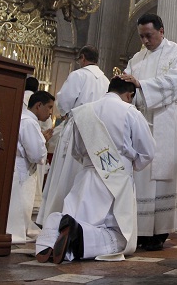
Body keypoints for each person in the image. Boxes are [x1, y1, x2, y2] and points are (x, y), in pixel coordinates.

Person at [35, 77, 156, 263]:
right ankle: (78, 235)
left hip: (85, 177)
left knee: (75, 213)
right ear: (129, 95)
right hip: (116, 181)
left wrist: (91, 162)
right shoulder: (130, 112)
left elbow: (75, 151)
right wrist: (131, 164)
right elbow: (147, 151)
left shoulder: (84, 112)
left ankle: (50, 237)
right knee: (119, 237)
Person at [121, 13, 177, 251]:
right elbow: (128, 84)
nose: (145, 41)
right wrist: (125, 83)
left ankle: (159, 231)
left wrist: (141, 85)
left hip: (164, 119)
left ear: (161, 30)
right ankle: (139, 230)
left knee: (161, 176)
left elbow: (174, 83)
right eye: (141, 36)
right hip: (140, 120)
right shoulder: (137, 58)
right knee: (140, 178)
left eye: (149, 35)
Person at [38, 45, 110, 225]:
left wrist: (64, 112)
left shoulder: (78, 75)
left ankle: (58, 213)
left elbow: (64, 101)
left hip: (77, 126)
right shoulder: (106, 80)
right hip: (96, 131)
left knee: (67, 170)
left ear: (83, 58)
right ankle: (82, 215)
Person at [7, 91, 54, 244]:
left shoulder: (25, 119)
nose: (50, 112)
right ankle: (17, 230)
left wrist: (41, 140)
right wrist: (43, 143)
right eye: (49, 107)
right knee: (20, 202)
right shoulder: (29, 122)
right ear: (38, 105)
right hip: (23, 169)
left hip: (21, 166)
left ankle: (21, 228)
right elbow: (35, 154)